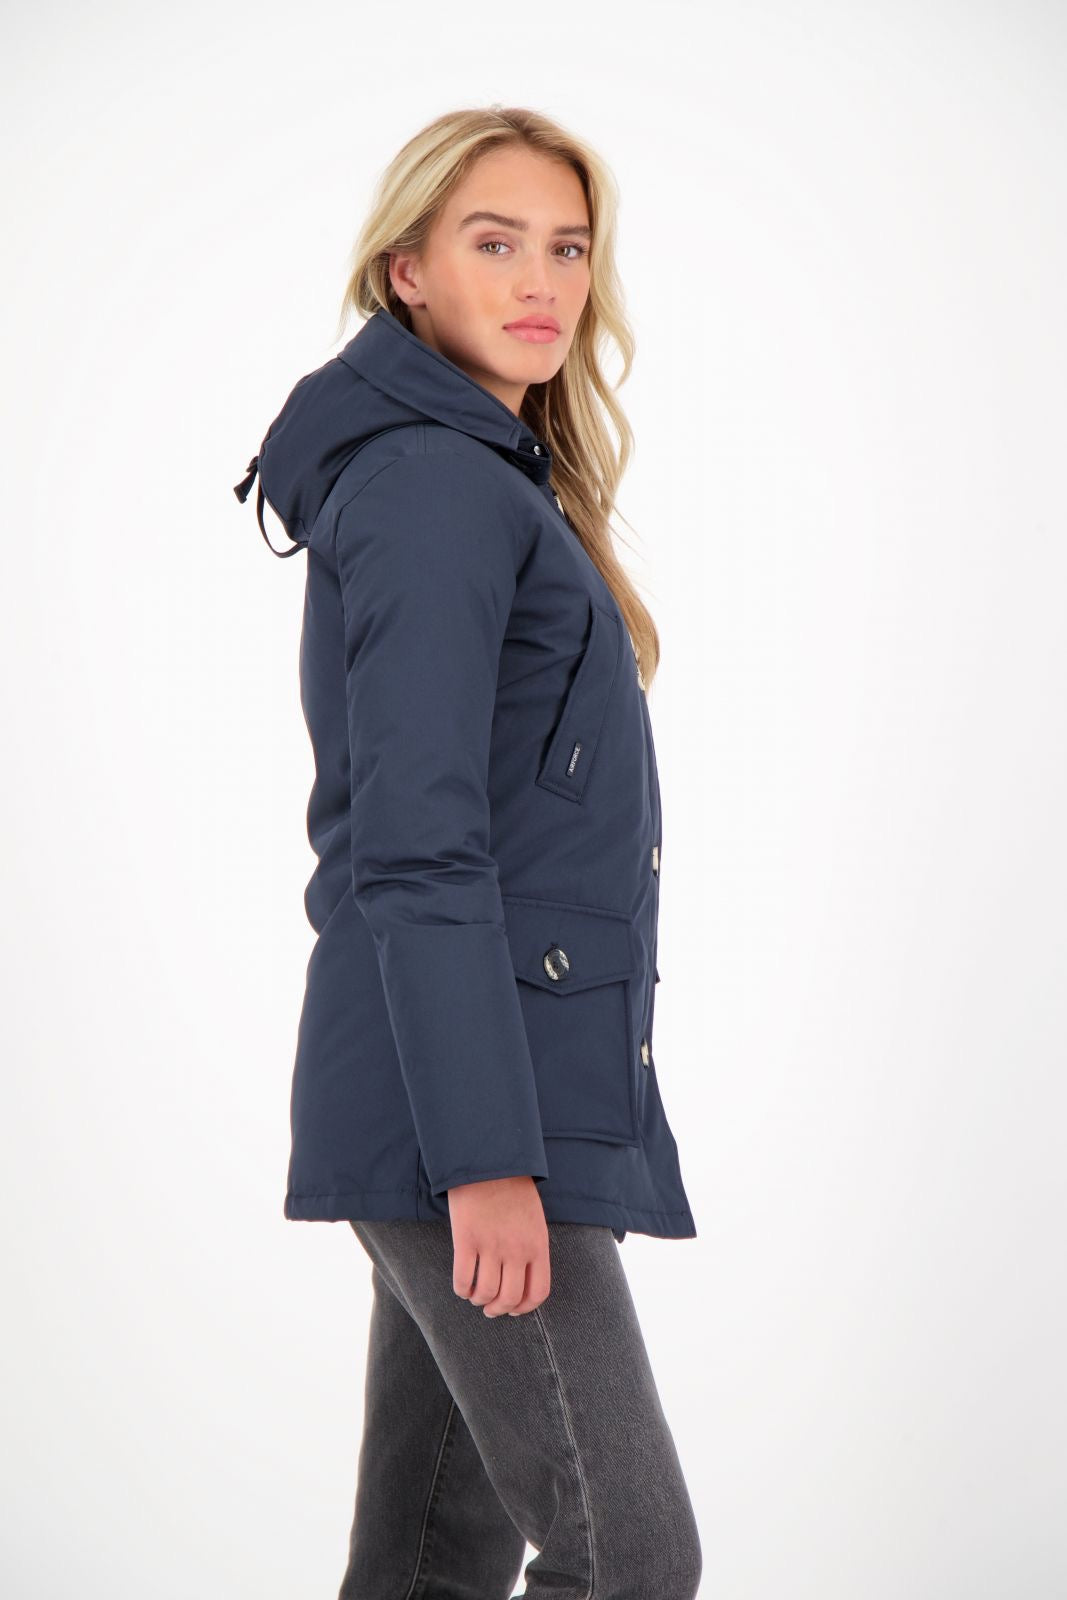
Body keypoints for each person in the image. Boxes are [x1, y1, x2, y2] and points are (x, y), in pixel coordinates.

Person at [234, 104, 702, 1600]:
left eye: (567, 248)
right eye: (494, 243)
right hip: (469, 1114)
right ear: (408, 270)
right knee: (630, 1557)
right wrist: (487, 1158)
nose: (540, 282)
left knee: (430, 1560)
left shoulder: (482, 476)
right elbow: (418, 844)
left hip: (470, 1086)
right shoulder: (436, 486)